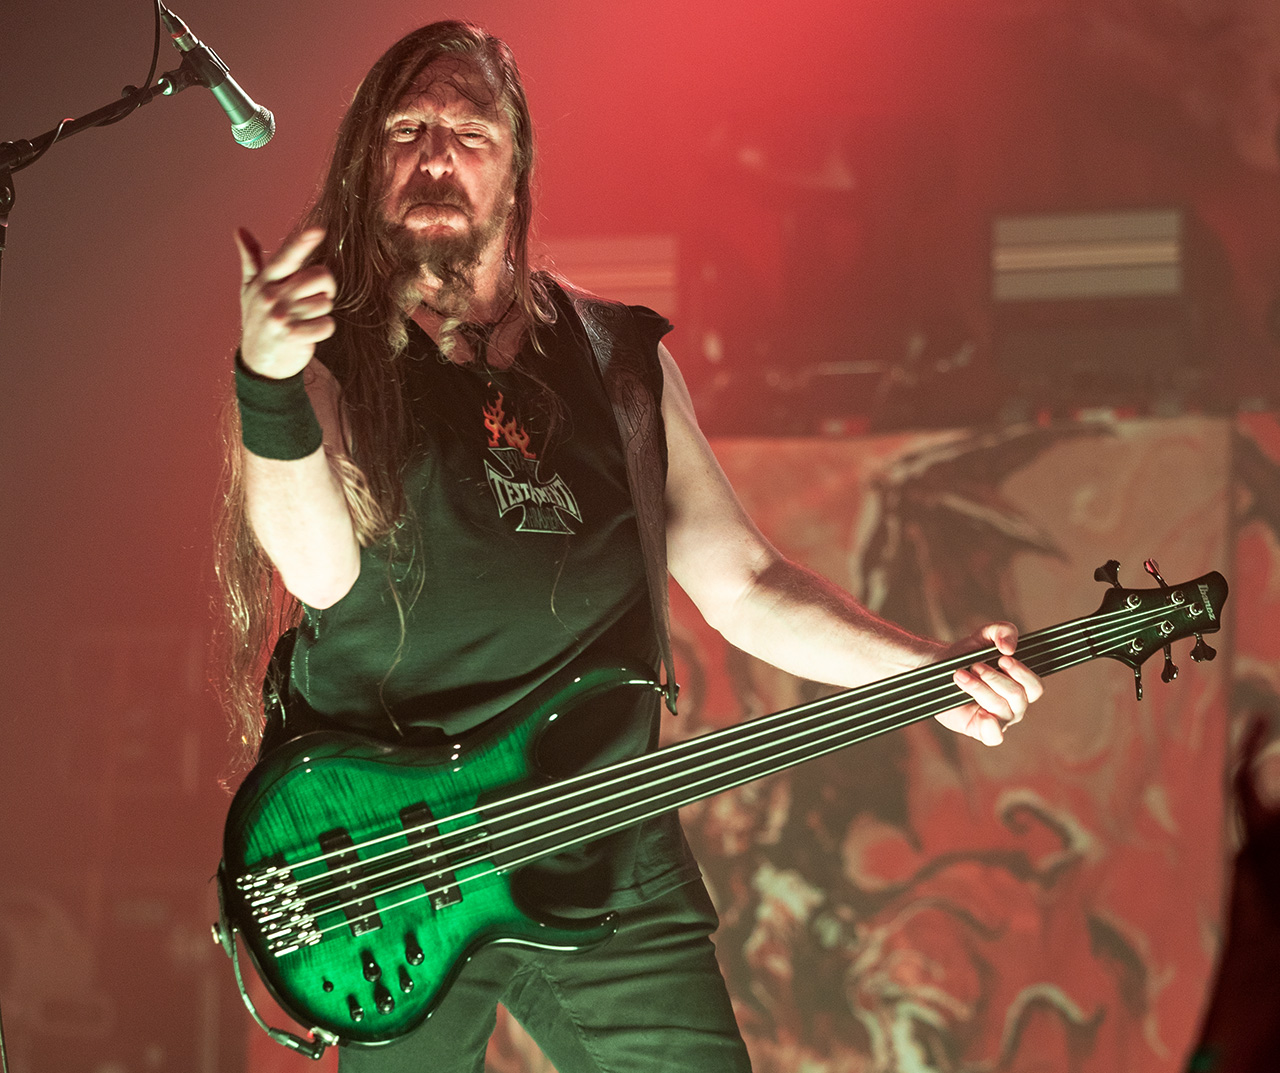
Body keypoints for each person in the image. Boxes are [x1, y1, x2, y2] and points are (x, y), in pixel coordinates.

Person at [216, 20, 1043, 1073]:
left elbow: (741, 584)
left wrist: (926, 671)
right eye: (407, 129)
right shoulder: (325, 350)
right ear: (366, 161)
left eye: (469, 131)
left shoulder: (614, 362)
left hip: (604, 834)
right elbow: (317, 569)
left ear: (516, 167)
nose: (435, 156)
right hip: (396, 847)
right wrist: (266, 383)